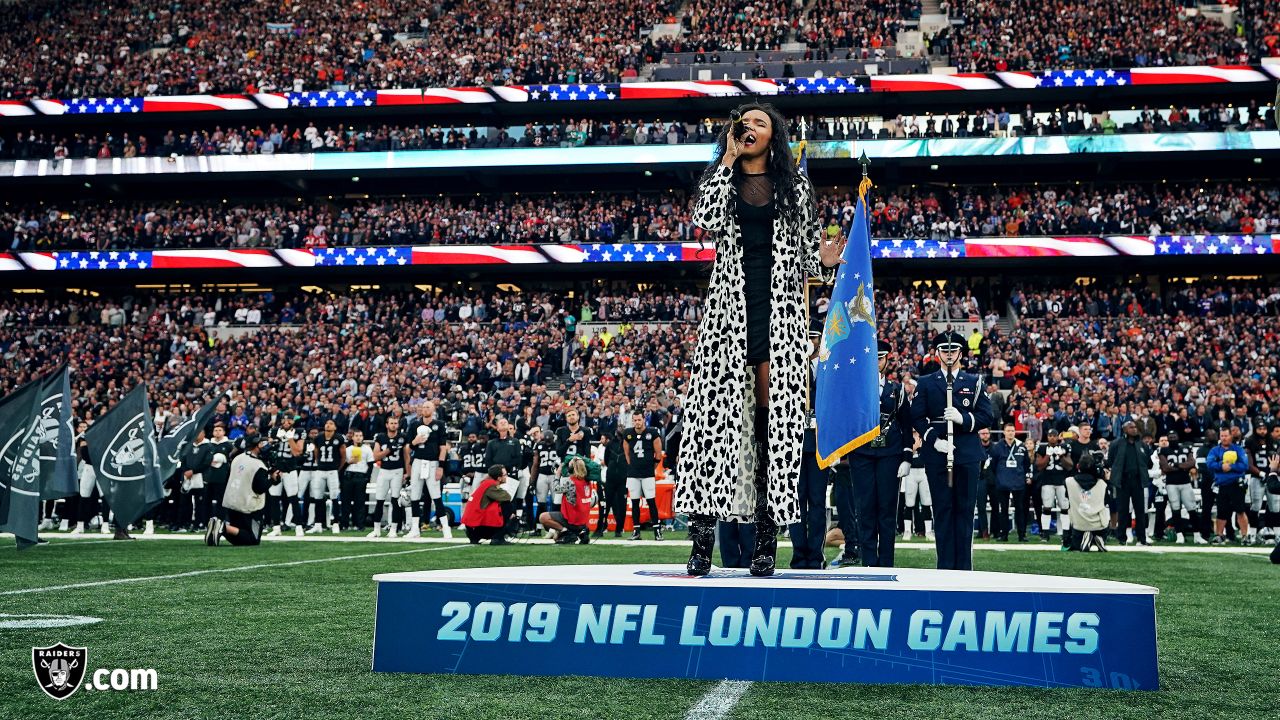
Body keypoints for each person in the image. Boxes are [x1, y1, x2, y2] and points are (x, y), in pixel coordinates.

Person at [677, 101, 843, 578]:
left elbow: (812, 256)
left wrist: (827, 260)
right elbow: (705, 219)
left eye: (759, 122)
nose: (749, 127)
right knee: (713, 428)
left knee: (772, 432)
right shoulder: (722, 177)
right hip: (726, 320)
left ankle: (766, 541)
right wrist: (726, 160)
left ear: (776, 135)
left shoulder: (796, 188)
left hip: (782, 319)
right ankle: (701, 539)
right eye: (743, 122)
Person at [909, 330, 995, 571]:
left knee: (965, 511)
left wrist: (963, 418)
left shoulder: (974, 382)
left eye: (953, 351)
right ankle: (945, 567)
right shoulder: (926, 382)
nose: (949, 355)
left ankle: (964, 569)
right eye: (944, 351)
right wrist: (933, 439)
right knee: (943, 510)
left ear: (961, 353)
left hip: (966, 453)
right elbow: (916, 416)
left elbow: (987, 415)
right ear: (937, 354)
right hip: (937, 453)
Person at [847, 340, 912, 567]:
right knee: (865, 510)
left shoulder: (897, 390)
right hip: (862, 454)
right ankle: (868, 563)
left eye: (881, 358)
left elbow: (906, 425)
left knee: (886, 511)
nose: (876, 362)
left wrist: (906, 457)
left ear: (887, 360)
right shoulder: (855, 387)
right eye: (873, 358)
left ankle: (886, 563)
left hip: (890, 454)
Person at [206, 436, 276, 547]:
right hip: (248, 506)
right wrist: (272, 479)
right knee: (252, 539)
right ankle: (222, 527)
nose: (265, 446)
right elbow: (260, 488)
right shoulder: (258, 465)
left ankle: (219, 527)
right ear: (255, 446)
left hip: (232, 502)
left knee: (238, 537)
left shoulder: (238, 458)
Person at [1106, 421, 1154, 545]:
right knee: (1123, 510)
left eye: (1135, 427)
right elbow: (1110, 461)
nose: (1134, 429)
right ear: (1124, 430)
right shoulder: (1116, 444)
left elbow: (1149, 463)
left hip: (1138, 480)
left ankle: (1141, 539)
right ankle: (1122, 538)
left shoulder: (1142, 444)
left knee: (1140, 511)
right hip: (1123, 481)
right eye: (1131, 427)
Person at [408, 401, 450, 536]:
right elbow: (409, 446)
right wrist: (416, 441)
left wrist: (441, 467)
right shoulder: (414, 424)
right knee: (415, 494)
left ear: (433, 409)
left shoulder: (439, 425)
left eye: (428, 407)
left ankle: (445, 527)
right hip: (418, 461)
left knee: (435, 495)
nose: (425, 409)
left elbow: (443, 448)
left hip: (432, 463)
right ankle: (415, 528)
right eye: (423, 406)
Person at [623, 411, 664, 541]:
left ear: (643, 419)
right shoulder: (628, 433)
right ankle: (636, 531)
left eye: (639, 420)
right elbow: (627, 454)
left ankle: (657, 531)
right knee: (635, 502)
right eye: (634, 420)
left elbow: (658, 454)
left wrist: (650, 468)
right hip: (633, 473)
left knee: (651, 501)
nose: (637, 422)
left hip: (647, 473)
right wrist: (633, 466)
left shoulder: (652, 433)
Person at [989, 422, 1032, 541]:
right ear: (1004, 432)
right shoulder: (997, 447)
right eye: (1008, 431)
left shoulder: (1021, 446)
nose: (1010, 433)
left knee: (1020, 509)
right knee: (1003, 509)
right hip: (1002, 483)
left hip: (1018, 482)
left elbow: (1026, 464)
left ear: (1015, 432)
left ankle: (1022, 535)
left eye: (1012, 431)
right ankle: (1004, 535)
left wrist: (1026, 477)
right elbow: (993, 465)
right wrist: (999, 477)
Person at [1207, 431, 1251, 545]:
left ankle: (1245, 535)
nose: (1224, 438)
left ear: (1231, 436)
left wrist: (1231, 466)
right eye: (1222, 436)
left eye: (1226, 435)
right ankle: (1219, 535)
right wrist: (1221, 466)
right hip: (1222, 485)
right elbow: (1209, 464)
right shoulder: (1215, 450)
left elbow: (1245, 465)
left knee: (1240, 510)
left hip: (1236, 484)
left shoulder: (1238, 449)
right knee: (1221, 512)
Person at [1159, 431, 1203, 544]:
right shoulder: (1163, 450)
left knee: (1192, 509)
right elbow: (1165, 467)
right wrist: (1183, 467)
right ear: (1168, 439)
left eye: (1174, 436)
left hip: (1185, 483)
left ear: (1178, 437)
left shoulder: (1186, 448)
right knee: (1176, 510)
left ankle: (1197, 535)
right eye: (1170, 437)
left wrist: (1176, 465)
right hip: (1172, 484)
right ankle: (1179, 535)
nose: (1173, 438)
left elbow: (1192, 462)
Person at [539, 457, 594, 544]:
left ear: (573, 468)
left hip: (572, 519)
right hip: (583, 521)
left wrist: (557, 475)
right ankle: (581, 533)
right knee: (556, 537)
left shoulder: (571, 482)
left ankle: (566, 532)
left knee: (543, 517)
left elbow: (556, 489)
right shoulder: (587, 482)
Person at [369, 416, 408, 538]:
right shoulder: (381, 437)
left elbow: (407, 457)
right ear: (387, 425)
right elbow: (375, 456)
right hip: (384, 471)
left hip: (398, 471)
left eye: (396, 423)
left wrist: (407, 472)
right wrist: (388, 451)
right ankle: (376, 530)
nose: (394, 425)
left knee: (395, 500)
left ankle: (394, 529)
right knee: (379, 500)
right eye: (391, 423)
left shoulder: (403, 437)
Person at [1063, 452, 1108, 552]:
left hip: (1079, 525)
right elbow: (1106, 502)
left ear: (1078, 466)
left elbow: (1067, 498)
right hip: (1098, 525)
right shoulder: (1102, 483)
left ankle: (1087, 538)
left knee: (1076, 544)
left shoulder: (1069, 482)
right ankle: (1096, 539)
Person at [1034, 428, 1074, 541]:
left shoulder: (1065, 447)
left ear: (1058, 437)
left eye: (1054, 435)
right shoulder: (1042, 448)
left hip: (1062, 481)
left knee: (1065, 508)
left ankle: (1066, 533)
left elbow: (1070, 465)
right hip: (1047, 481)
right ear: (1047, 437)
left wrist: (1061, 456)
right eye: (1050, 435)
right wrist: (1047, 456)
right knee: (1046, 507)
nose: (1052, 437)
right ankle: (1045, 533)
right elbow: (1039, 466)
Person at [461, 465, 512, 545]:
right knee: (507, 505)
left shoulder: (486, 483)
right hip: (477, 524)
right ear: (499, 478)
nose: (507, 476)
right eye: (505, 475)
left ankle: (475, 536)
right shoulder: (491, 485)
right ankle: (498, 537)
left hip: (471, 524)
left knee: (495, 505)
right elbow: (507, 497)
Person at [340, 429, 372, 532]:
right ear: (352, 437)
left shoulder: (367, 449)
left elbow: (370, 464)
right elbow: (342, 466)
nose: (358, 437)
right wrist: (349, 462)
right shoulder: (348, 449)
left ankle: (359, 524)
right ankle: (344, 524)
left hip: (361, 476)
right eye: (356, 435)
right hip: (349, 476)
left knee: (360, 502)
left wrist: (367, 477)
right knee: (346, 502)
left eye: (360, 435)